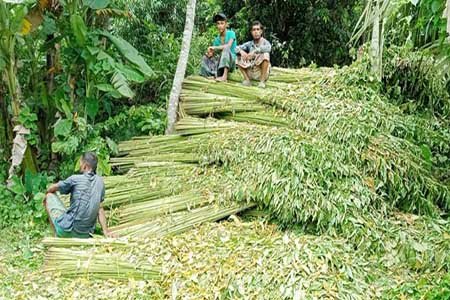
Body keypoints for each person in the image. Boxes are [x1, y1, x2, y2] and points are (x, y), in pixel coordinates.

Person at [43, 152, 115, 238]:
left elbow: (52, 188)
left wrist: (48, 190)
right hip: (86, 235)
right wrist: (105, 232)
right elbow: (100, 209)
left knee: (49, 196)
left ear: (85, 166)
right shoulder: (100, 182)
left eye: (80, 163)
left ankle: (56, 235)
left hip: (66, 230)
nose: (79, 165)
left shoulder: (75, 179)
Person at [200, 13, 237, 82]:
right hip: (220, 64)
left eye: (222, 23)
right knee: (205, 58)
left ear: (226, 24)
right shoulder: (216, 39)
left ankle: (224, 76)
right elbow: (213, 55)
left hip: (230, 63)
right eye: (218, 23)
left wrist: (214, 48)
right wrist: (209, 54)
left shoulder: (231, 33)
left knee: (226, 49)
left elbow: (228, 46)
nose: (220, 26)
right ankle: (211, 75)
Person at [236, 21, 272, 88]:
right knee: (238, 56)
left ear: (261, 31)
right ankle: (247, 80)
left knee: (265, 55)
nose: (256, 32)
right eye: (254, 30)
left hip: (261, 72)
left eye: (258, 29)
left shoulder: (265, 42)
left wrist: (255, 51)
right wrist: (241, 51)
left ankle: (262, 82)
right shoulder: (249, 44)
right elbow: (235, 48)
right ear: (251, 32)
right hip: (251, 71)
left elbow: (269, 48)